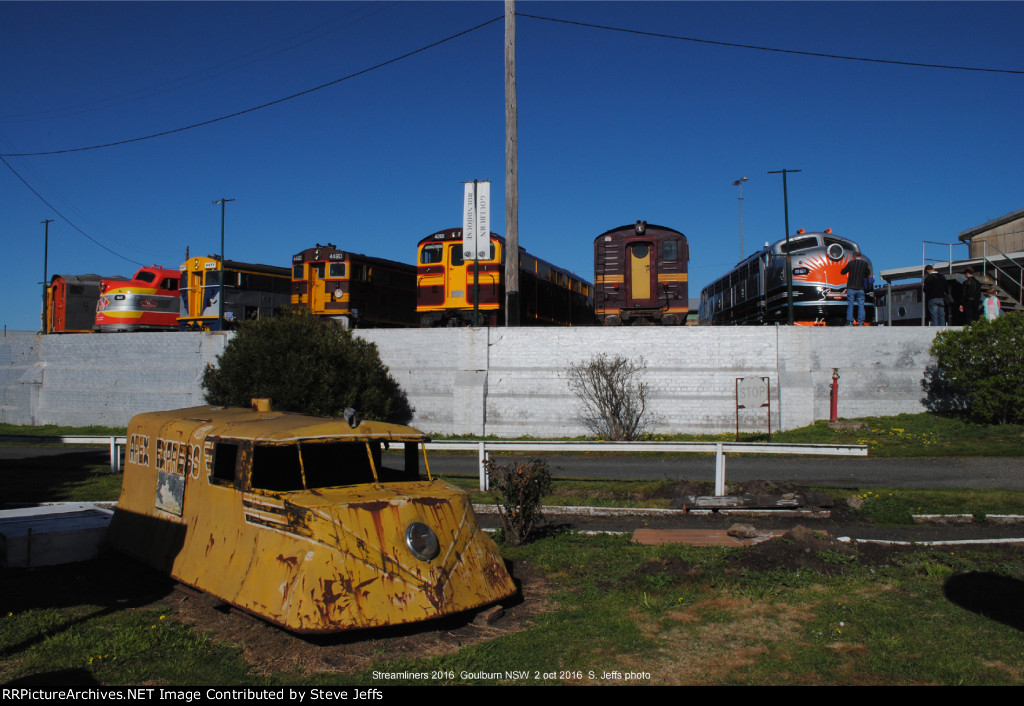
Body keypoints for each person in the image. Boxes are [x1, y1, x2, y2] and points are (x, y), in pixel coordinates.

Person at [840, 252, 871, 325]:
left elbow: (843, 272)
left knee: (850, 305)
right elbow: (868, 274)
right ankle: (861, 322)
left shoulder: (851, 263)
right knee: (861, 305)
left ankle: (849, 321)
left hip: (851, 287)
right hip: (860, 288)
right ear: (860, 256)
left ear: (853, 256)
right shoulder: (865, 264)